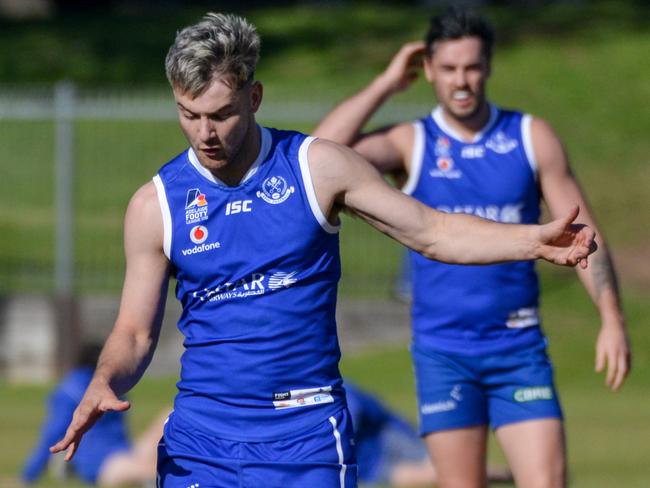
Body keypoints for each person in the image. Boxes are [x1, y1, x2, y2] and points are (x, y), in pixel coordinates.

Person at [50, 12, 596, 488]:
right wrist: (105, 379)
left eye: (220, 114)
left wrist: (531, 239)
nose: (204, 133)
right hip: (201, 440)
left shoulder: (317, 168)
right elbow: (135, 332)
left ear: (254, 96)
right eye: (188, 115)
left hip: (306, 438)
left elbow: (433, 231)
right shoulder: (155, 205)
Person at [313, 7, 631, 488]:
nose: (461, 80)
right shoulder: (411, 142)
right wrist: (384, 83)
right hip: (444, 353)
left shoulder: (530, 137)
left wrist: (611, 317)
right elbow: (319, 154)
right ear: (430, 72)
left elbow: (585, 235)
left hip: (518, 346)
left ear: (488, 67)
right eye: (448, 68)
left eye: (472, 67)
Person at [21, 343, 162, 486]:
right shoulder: (71, 390)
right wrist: (30, 474)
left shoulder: (114, 384)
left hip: (124, 451)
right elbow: (52, 434)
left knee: (170, 416)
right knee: (161, 469)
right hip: (103, 464)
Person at [344, 382, 512, 487]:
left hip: (388, 439)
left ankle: (507, 474)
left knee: (448, 470)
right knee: (431, 477)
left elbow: (355, 411)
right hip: (370, 467)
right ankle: (504, 475)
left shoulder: (333, 386)